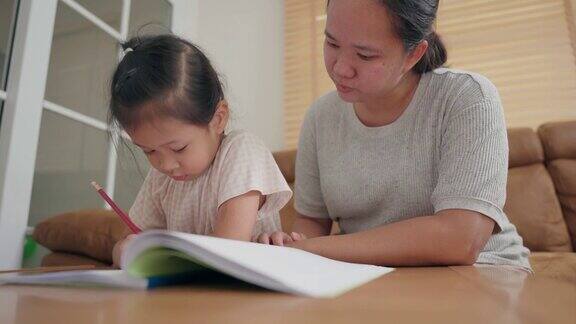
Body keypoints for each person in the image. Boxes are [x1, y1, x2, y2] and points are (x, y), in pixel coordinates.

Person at [256, 0, 531, 271]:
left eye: (365, 55)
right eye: (332, 43)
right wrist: (290, 245)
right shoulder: (320, 117)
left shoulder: (466, 98)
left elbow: (461, 240)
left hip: (479, 273)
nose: (340, 68)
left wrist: (311, 250)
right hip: (367, 275)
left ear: (414, 54)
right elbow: (312, 222)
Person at [108, 34, 292, 267]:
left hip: (248, 292)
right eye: (149, 151)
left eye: (179, 148)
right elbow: (126, 242)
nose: (165, 164)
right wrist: (126, 250)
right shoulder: (161, 179)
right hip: (195, 293)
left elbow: (229, 248)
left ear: (217, 119)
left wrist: (159, 256)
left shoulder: (241, 151)